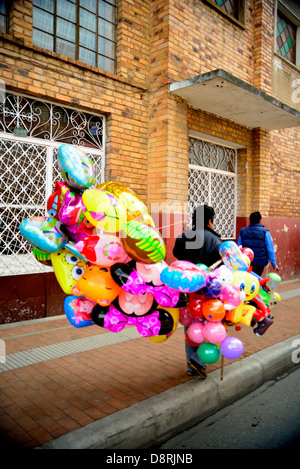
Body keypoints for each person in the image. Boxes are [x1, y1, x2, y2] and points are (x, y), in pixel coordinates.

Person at [173, 204, 222, 379]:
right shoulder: (215, 241)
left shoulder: (183, 237)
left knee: (190, 325)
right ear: (210, 221)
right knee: (210, 325)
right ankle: (198, 359)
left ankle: (191, 364)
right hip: (207, 292)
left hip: (187, 290)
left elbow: (176, 254)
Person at [238, 211, 279, 277]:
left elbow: (239, 247)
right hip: (260, 262)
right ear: (260, 220)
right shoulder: (265, 232)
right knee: (257, 278)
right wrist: (274, 264)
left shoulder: (243, 231)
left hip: (246, 261)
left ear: (250, 220)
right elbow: (270, 249)